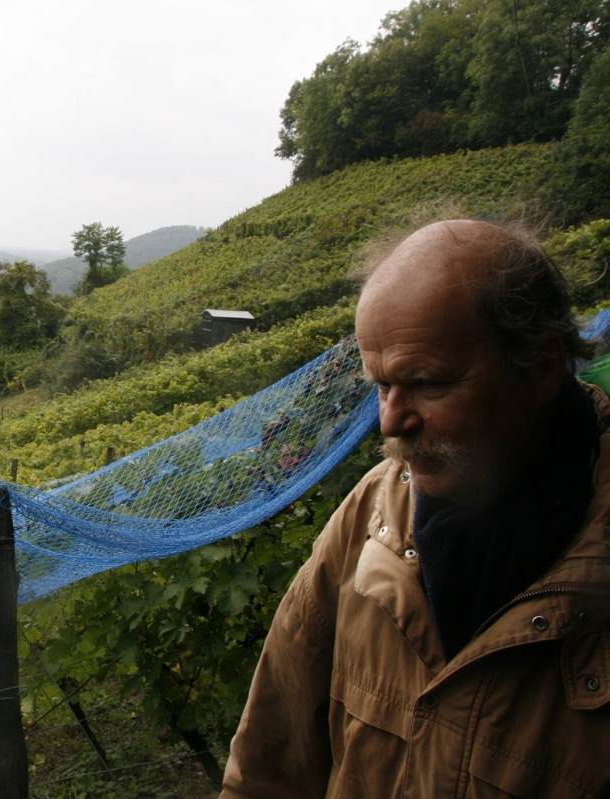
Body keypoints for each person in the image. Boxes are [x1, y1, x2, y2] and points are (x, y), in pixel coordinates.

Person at [220, 218, 610, 798]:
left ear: (543, 365)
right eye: (381, 386)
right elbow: (265, 767)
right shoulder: (370, 514)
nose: (390, 421)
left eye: (426, 383)